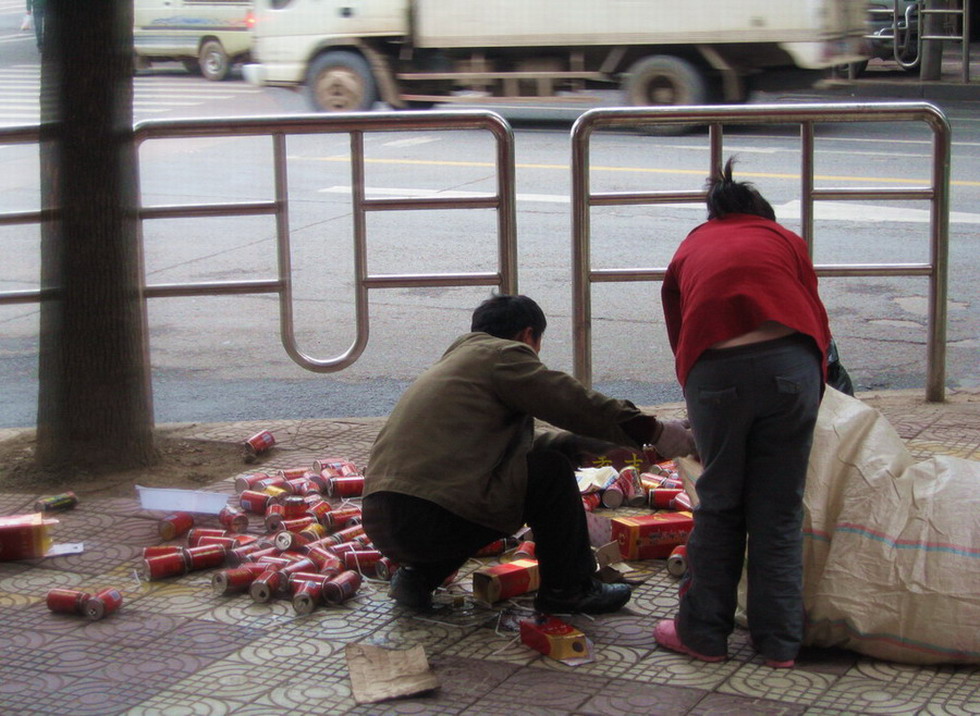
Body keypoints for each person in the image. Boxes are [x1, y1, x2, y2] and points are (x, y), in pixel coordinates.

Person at [363, 294, 696, 614]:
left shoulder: (458, 365)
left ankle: (417, 579)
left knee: (476, 488)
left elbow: (512, 451)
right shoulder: (504, 356)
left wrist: (598, 449)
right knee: (548, 473)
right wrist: (655, 432)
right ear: (528, 335)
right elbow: (574, 403)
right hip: (435, 517)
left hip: (383, 519)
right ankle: (569, 589)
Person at [655, 158, 831, 668]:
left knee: (721, 503)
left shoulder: (693, 243)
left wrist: (700, 397)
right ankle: (780, 645)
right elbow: (814, 314)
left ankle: (703, 636)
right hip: (792, 370)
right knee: (779, 512)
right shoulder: (783, 239)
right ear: (763, 214)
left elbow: (680, 325)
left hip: (717, 374)